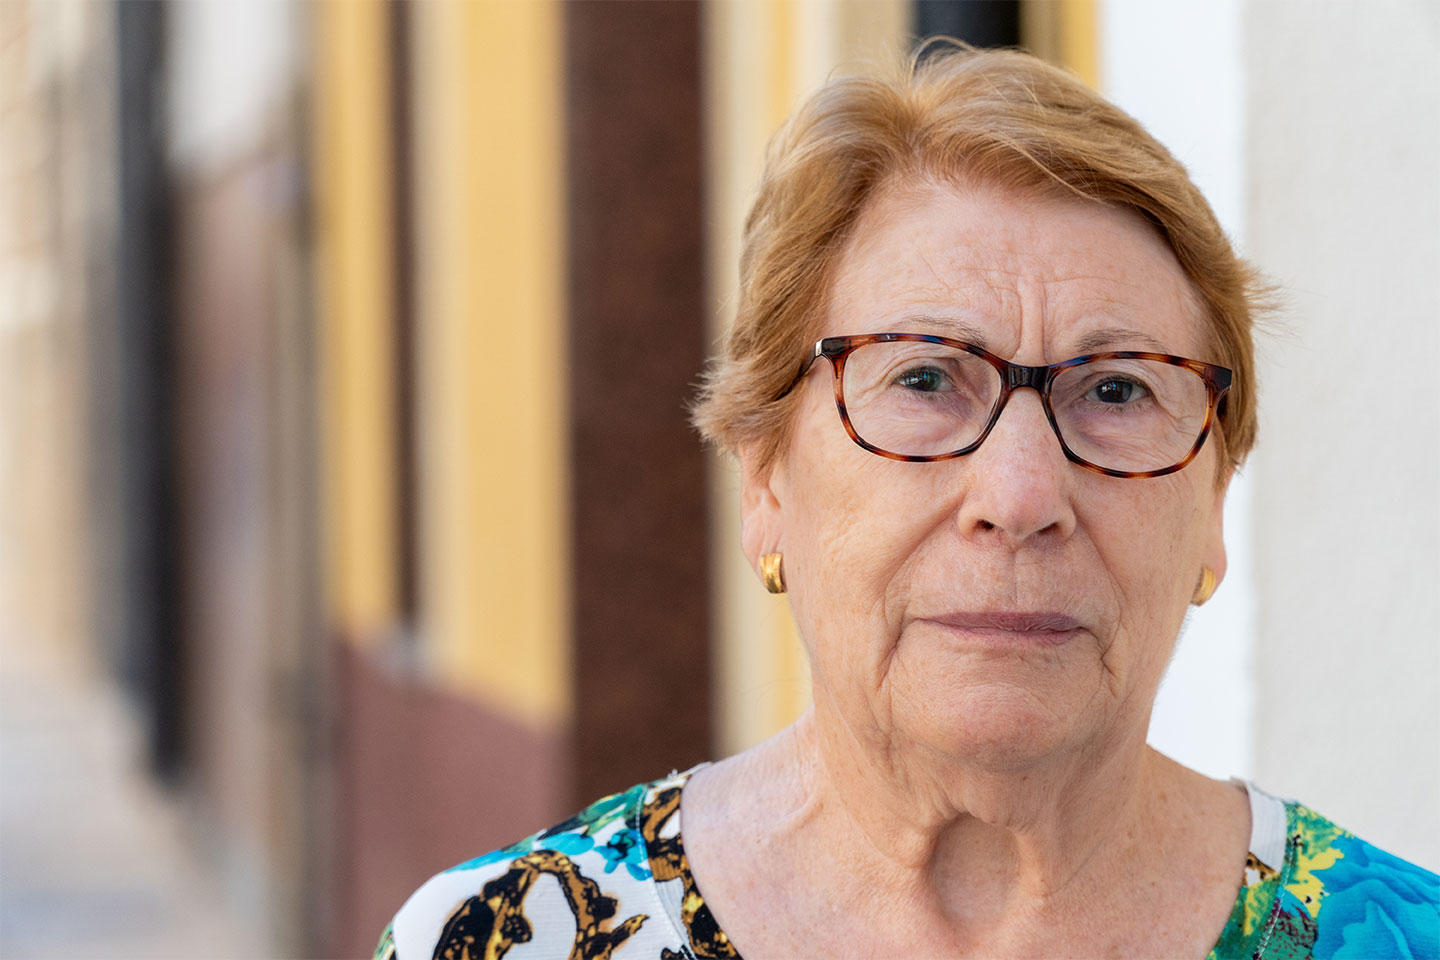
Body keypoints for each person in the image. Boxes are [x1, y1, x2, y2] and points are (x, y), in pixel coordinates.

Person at [374, 44, 1439, 960]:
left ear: (1213, 504)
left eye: (1118, 391)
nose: (1021, 495)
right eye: (924, 379)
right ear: (765, 477)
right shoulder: (501, 941)